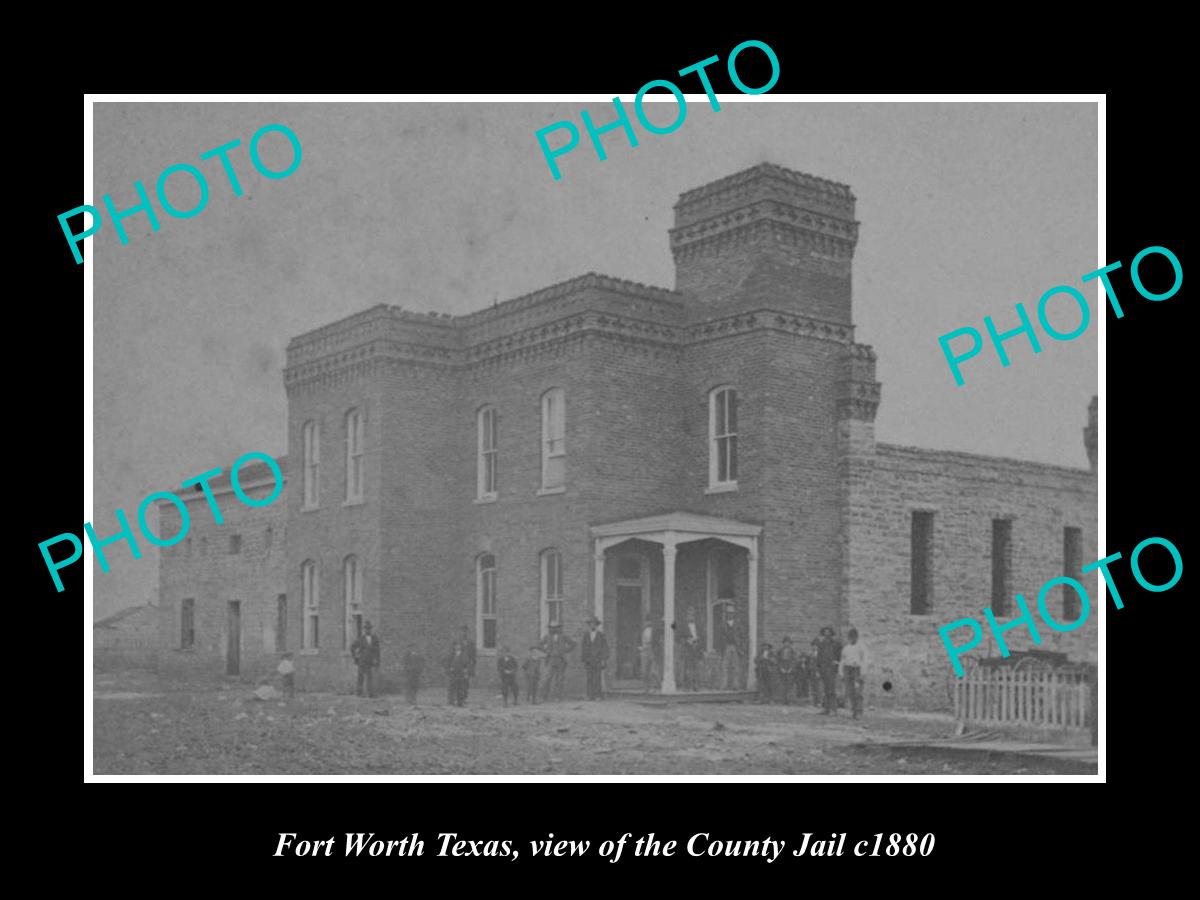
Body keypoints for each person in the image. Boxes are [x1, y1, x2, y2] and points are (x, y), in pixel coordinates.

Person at [540, 624, 577, 702]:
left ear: (559, 628)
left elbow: (573, 644)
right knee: (547, 678)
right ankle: (544, 696)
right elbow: (540, 644)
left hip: (561, 659)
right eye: (552, 628)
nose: (554, 629)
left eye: (556, 627)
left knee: (559, 679)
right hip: (550, 659)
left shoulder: (564, 636)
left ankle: (557, 697)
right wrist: (546, 651)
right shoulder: (547, 636)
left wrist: (565, 650)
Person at [839, 627, 869, 719]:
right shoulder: (846, 648)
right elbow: (842, 661)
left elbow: (865, 661)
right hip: (848, 670)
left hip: (857, 670)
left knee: (858, 692)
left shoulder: (861, 648)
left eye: (853, 637)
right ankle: (854, 711)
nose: (852, 639)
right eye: (850, 637)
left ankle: (859, 711)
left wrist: (862, 673)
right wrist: (841, 673)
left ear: (857, 637)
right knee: (850, 691)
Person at [814, 626, 842, 715]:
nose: (827, 636)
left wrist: (837, 662)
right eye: (825, 634)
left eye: (829, 634)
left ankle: (833, 709)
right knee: (825, 689)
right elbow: (818, 657)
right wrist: (818, 669)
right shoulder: (821, 644)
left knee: (832, 689)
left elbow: (840, 654)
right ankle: (826, 708)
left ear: (831, 634)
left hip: (832, 668)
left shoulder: (836, 644)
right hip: (823, 668)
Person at [580, 617, 609, 700]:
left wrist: (604, 659)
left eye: (595, 624)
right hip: (589, 660)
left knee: (597, 677)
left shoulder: (601, 635)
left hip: (597, 659)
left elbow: (605, 647)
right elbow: (584, 647)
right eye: (591, 624)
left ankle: (597, 695)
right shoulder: (586, 635)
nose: (593, 626)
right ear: (589, 625)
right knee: (589, 677)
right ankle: (589, 695)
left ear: (597, 625)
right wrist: (584, 659)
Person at [445, 626, 476, 706]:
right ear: (459, 632)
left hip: (466, 664)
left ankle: (463, 698)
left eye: (465, 631)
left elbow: (473, 655)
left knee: (465, 683)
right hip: (455, 664)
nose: (464, 633)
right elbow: (450, 654)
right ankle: (451, 699)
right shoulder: (455, 641)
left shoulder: (470, 642)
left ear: (467, 632)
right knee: (453, 683)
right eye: (462, 631)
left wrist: (472, 666)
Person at [350, 621, 381, 698]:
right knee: (360, 677)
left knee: (369, 677)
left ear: (371, 629)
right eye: (366, 629)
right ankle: (359, 693)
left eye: (369, 629)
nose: (368, 630)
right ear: (364, 630)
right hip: (362, 660)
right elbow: (352, 647)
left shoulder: (375, 639)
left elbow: (377, 651)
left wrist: (377, 660)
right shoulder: (361, 639)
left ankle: (370, 693)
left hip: (370, 660)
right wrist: (355, 657)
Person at [717, 607, 743, 690]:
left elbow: (741, 636)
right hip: (726, 646)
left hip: (735, 647)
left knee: (735, 666)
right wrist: (720, 647)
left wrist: (740, 647)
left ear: (734, 614)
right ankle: (723, 686)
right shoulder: (722, 624)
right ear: (726, 614)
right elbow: (719, 637)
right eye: (728, 613)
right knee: (724, 666)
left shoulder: (737, 624)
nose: (730, 614)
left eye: (731, 613)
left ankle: (735, 685)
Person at [679, 607, 701, 691]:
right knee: (687, 667)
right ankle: (686, 686)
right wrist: (687, 641)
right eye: (689, 614)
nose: (691, 616)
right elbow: (680, 636)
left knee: (696, 667)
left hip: (696, 648)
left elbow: (701, 635)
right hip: (687, 648)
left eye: (692, 614)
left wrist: (697, 641)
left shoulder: (697, 625)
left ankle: (695, 685)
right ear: (686, 616)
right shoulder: (683, 626)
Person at [639, 614, 661, 693]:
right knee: (645, 670)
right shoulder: (643, 631)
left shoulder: (655, 631)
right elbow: (640, 641)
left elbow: (657, 642)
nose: (647, 623)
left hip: (652, 649)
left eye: (649, 621)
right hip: (645, 650)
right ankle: (646, 688)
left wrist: (655, 651)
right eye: (646, 621)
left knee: (653, 671)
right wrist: (641, 648)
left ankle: (655, 687)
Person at [775, 637, 798, 704]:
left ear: (790, 644)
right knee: (782, 684)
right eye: (785, 642)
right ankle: (783, 699)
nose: (786, 644)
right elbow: (778, 660)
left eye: (788, 643)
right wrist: (781, 668)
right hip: (782, 667)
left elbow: (794, 660)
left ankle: (790, 700)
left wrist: (791, 668)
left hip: (790, 668)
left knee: (790, 684)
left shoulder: (793, 651)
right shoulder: (780, 651)